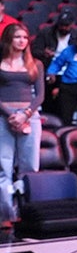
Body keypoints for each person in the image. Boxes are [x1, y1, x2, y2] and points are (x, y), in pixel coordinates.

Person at [0, 23, 43, 229]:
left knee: (29, 167)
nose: (22, 41)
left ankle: (28, 212)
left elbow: (40, 95)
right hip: (3, 117)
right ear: (9, 39)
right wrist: (11, 115)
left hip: (30, 117)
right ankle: (5, 214)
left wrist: (25, 114)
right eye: (18, 37)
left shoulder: (36, 64)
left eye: (25, 37)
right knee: (3, 167)